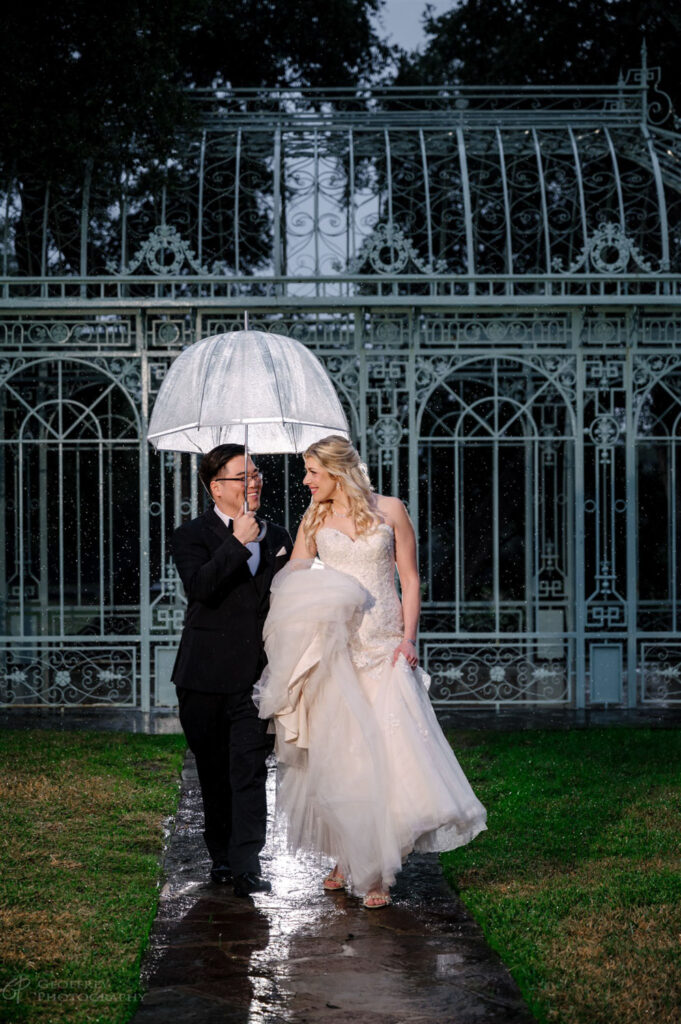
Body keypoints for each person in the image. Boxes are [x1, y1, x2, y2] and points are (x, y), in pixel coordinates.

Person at [255, 435, 487, 908]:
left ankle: (377, 872)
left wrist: (409, 637)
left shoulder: (391, 510)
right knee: (344, 760)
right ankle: (345, 858)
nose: (306, 481)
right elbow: (293, 581)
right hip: (337, 652)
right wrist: (316, 588)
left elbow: (410, 577)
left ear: (337, 471)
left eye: (312, 472)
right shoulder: (314, 518)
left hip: (384, 648)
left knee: (388, 755)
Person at [171, 444, 293, 897]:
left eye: (256, 473)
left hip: (257, 678)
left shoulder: (279, 535)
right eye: (242, 476)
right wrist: (237, 542)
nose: (254, 482)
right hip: (202, 677)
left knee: (248, 770)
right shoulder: (190, 535)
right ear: (215, 486)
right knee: (214, 771)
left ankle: (246, 864)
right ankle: (220, 856)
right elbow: (201, 587)